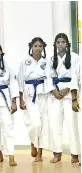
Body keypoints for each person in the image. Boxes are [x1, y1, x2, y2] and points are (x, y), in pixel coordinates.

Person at [48, 33, 80, 163]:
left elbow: (76, 76)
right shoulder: (51, 59)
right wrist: (54, 91)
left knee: (72, 125)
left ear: (67, 44)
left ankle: (75, 153)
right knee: (55, 124)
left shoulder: (75, 57)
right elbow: (48, 77)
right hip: (55, 95)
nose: (60, 44)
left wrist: (67, 90)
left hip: (69, 93)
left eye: (63, 42)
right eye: (58, 42)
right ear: (55, 44)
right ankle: (57, 153)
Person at [18, 37, 51, 162]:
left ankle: (40, 152)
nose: (38, 48)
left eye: (40, 46)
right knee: (34, 123)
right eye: (35, 46)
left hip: (43, 93)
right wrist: (20, 99)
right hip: (29, 94)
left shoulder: (46, 62)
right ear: (31, 47)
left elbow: (49, 78)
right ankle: (33, 143)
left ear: (43, 48)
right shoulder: (24, 62)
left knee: (42, 123)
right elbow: (20, 80)